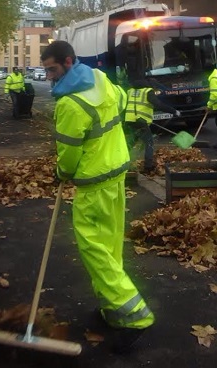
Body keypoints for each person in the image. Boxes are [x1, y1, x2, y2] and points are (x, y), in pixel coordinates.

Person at [41, 40, 154, 354]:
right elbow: (117, 104)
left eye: (52, 69)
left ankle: (134, 316)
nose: (49, 76)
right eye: (46, 70)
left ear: (67, 61)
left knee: (95, 251)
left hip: (92, 185)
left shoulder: (69, 105)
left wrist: (62, 172)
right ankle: (111, 309)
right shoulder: (100, 79)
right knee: (110, 245)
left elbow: (68, 155)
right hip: (116, 172)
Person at [124, 78, 181, 172]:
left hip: (130, 120)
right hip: (141, 121)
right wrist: (174, 111)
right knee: (149, 143)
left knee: (131, 142)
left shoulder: (130, 91)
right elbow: (159, 105)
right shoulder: (148, 91)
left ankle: (122, 161)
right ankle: (148, 167)